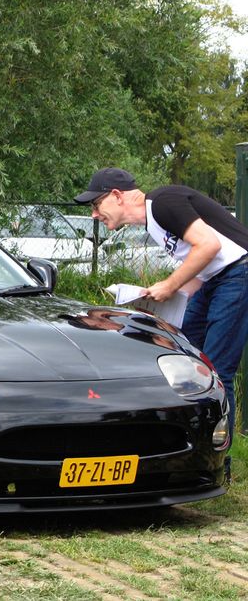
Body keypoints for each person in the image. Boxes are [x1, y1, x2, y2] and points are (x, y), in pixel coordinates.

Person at [75, 167, 248, 456]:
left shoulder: (163, 202)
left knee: (217, 371)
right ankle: (181, 446)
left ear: (117, 196)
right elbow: (203, 262)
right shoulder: (154, 220)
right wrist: (157, 299)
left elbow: (209, 245)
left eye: (96, 204)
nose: (94, 214)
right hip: (216, 279)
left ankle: (217, 459)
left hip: (238, 273)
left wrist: (169, 284)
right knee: (184, 353)